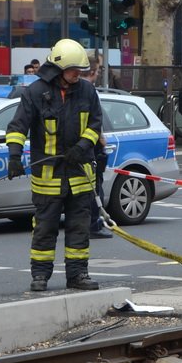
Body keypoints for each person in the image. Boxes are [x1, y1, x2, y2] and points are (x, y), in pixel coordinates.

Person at [6, 38, 102, 292]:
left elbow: (95, 125)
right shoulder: (36, 92)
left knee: (79, 229)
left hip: (79, 174)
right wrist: (14, 157)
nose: (78, 75)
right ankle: (40, 276)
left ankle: (78, 274)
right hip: (48, 176)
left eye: (81, 71)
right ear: (59, 69)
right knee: (45, 229)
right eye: (73, 71)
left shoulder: (87, 91)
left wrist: (82, 147)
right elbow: (18, 126)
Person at [82, 58, 112, 240]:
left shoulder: (76, 89)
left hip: (84, 148)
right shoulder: (88, 91)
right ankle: (95, 224)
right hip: (92, 149)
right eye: (98, 70)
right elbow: (95, 121)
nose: (99, 73)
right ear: (92, 71)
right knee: (95, 189)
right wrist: (101, 140)